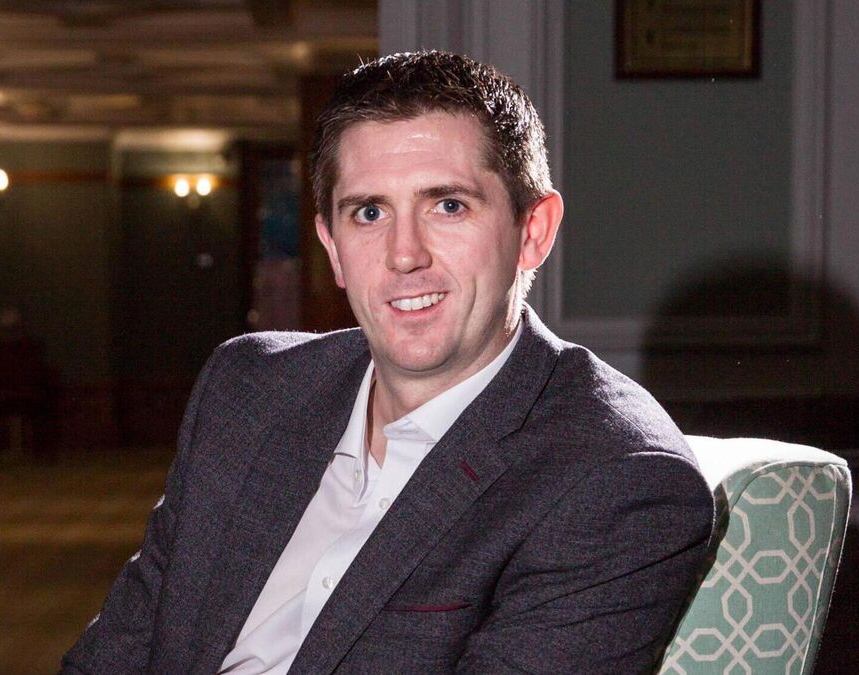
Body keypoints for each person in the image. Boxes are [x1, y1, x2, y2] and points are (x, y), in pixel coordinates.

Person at [62, 51, 715, 674]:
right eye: (369, 212)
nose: (404, 255)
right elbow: (114, 654)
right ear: (332, 247)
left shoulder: (614, 478)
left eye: (448, 205)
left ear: (532, 232)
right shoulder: (249, 388)